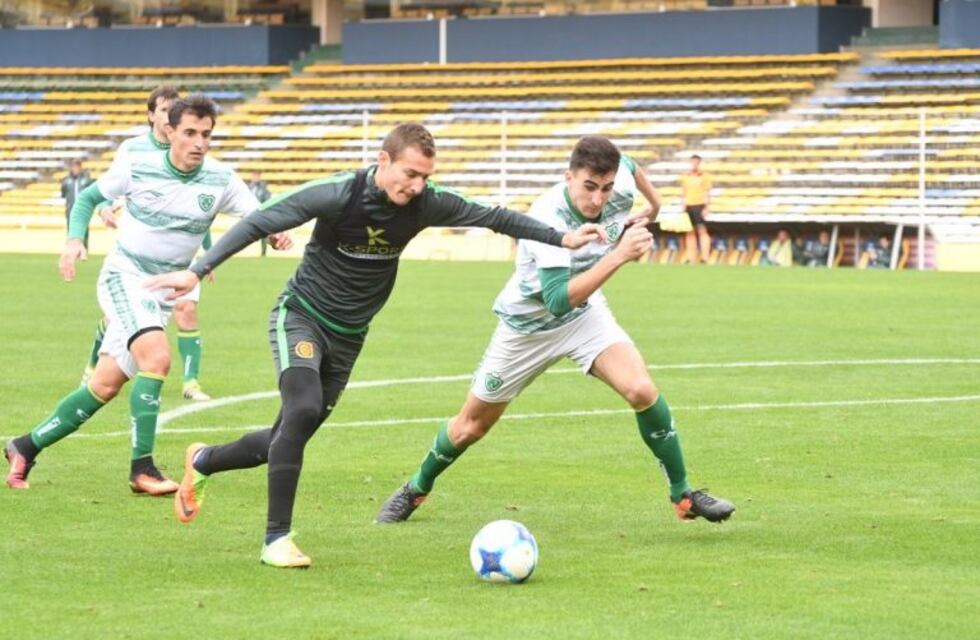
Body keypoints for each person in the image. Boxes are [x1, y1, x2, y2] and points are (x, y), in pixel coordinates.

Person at [145, 123, 606, 569]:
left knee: (288, 436)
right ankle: (276, 539)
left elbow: (495, 217)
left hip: (349, 336)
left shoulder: (426, 204)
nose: (418, 185)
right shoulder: (339, 193)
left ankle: (203, 460)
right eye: (410, 174)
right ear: (383, 161)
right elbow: (262, 219)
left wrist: (561, 237)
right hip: (301, 317)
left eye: (426, 176)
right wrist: (197, 270)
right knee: (302, 411)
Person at [375, 136, 734, 529]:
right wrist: (619, 255)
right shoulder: (548, 215)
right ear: (569, 177)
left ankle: (682, 494)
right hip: (528, 326)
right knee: (470, 427)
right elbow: (557, 299)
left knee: (642, 390)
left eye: (606, 188)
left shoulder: (618, 184)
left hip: (585, 316)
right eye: (589, 187)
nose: (598, 199)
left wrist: (655, 205)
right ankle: (416, 487)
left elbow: (629, 164)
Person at [4, 95, 290, 495]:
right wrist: (73, 241)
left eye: (207, 134)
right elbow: (87, 197)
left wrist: (276, 231)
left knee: (103, 386)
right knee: (157, 358)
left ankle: (24, 446)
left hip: (166, 290)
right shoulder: (139, 165)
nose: (199, 143)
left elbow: (258, 214)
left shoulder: (221, 179)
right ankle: (143, 470)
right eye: (190, 133)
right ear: (169, 130)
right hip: (126, 275)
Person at [80, 86, 215, 401]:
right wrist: (102, 209)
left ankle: (191, 382)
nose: (170, 115)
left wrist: (208, 253)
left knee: (187, 310)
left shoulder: (192, 154)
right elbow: (105, 190)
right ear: (153, 116)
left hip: (181, 259)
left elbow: (200, 209)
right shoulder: (133, 150)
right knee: (116, 322)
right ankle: (93, 369)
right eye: (165, 110)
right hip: (139, 253)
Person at [679, 154, 711, 264]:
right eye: (692, 162)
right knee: (689, 232)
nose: (694, 164)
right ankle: (690, 257)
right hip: (689, 205)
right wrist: (683, 206)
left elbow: (707, 192)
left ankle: (705, 257)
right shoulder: (685, 176)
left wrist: (706, 207)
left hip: (699, 204)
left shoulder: (704, 176)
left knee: (702, 230)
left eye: (696, 162)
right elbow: (683, 192)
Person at [60, 160, 93, 249]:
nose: (76, 169)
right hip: (70, 209)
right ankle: (72, 248)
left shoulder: (86, 180)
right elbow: (63, 193)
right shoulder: (66, 180)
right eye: (74, 167)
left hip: (83, 209)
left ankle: (84, 248)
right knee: (71, 228)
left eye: (78, 167)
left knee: (84, 229)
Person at [248, 171, 273, 256]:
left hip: (261, 212)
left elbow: (268, 199)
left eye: (256, 176)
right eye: (253, 176)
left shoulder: (263, 188)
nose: (255, 178)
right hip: (250, 212)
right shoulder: (249, 187)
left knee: (263, 233)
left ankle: (263, 251)